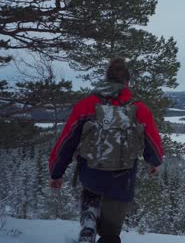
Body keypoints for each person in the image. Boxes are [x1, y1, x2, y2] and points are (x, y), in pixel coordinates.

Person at [48, 58, 164, 243]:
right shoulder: (138, 108)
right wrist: (155, 162)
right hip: (122, 177)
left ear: (106, 80)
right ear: (127, 83)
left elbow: (67, 142)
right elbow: (153, 142)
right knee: (111, 232)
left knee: (91, 193)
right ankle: (106, 236)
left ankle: (89, 219)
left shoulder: (86, 105)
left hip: (91, 171)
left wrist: (56, 172)